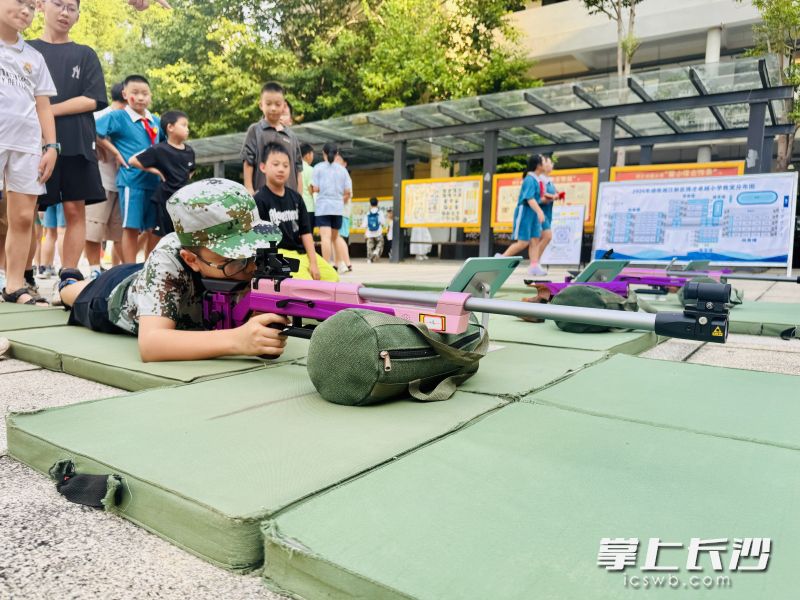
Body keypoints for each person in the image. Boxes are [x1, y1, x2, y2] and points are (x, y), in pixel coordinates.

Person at [57, 178, 288, 361]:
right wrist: (238, 340)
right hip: (114, 293)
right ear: (191, 260)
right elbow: (151, 345)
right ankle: (68, 278)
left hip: (153, 277)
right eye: (233, 259)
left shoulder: (239, 262)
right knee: (73, 293)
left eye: (253, 251)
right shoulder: (168, 259)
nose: (251, 267)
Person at [29, 0, 108, 274]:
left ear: (77, 15)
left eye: (71, 8)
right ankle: (21, 275)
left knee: (75, 209)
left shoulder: (85, 54)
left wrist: (46, 110)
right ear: (41, 6)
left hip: (76, 142)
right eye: (58, 4)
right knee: (27, 212)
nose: (64, 12)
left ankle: (69, 275)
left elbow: (92, 99)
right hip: (33, 142)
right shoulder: (25, 50)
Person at [0, 0, 58, 305]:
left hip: (27, 143)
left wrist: (52, 146)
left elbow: (43, 106)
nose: (26, 11)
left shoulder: (34, 57)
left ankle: (13, 285)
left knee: (23, 217)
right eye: (20, 1)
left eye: (32, 6)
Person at [95, 74, 164, 263]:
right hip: (131, 181)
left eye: (145, 93)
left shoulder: (155, 121)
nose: (140, 97)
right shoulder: (119, 116)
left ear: (150, 95)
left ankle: (150, 267)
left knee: (154, 228)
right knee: (131, 228)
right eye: (135, 92)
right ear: (125, 94)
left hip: (154, 182)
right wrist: (115, 153)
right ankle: (129, 269)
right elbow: (95, 131)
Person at [253, 143, 337, 282]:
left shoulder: (296, 198)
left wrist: (313, 262)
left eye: (286, 165)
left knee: (333, 278)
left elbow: (306, 233)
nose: (281, 169)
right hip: (276, 255)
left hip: (301, 253)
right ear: (263, 167)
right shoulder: (259, 200)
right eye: (276, 164)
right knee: (306, 284)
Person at [129, 109, 195, 238]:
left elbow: (191, 170)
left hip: (183, 200)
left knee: (181, 233)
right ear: (170, 127)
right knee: (158, 234)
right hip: (164, 199)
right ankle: (152, 252)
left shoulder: (189, 151)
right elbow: (132, 160)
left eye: (187, 126)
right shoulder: (159, 149)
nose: (187, 129)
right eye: (183, 125)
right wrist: (157, 171)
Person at [86, 81, 125, 277]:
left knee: (120, 233)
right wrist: (113, 152)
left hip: (123, 183)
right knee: (93, 229)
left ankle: (122, 270)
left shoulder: (133, 119)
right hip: (100, 181)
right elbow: (91, 134)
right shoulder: (102, 115)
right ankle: (94, 269)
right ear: (125, 94)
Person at [241, 81, 303, 196]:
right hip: (262, 197)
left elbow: (298, 168)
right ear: (261, 105)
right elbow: (248, 161)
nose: (273, 108)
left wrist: (299, 196)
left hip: (289, 198)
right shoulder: (255, 130)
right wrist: (249, 188)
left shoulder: (291, 136)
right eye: (268, 104)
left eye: (278, 104)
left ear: (284, 106)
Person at [501, 154, 547, 276]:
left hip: (533, 212)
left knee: (535, 240)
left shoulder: (536, 179)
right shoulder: (529, 179)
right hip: (525, 212)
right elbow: (529, 198)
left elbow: (536, 199)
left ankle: (534, 266)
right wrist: (540, 211)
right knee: (523, 242)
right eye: (543, 162)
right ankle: (500, 260)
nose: (545, 164)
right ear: (538, 165)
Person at [311, 142, 352, 268]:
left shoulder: (318, 168)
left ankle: (326, 266)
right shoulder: (342, 170)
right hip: (337, 208)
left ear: (323, 153)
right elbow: (347, 191)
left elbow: (315, 188)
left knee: (325, 238)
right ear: (336, 154)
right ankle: (339, 264)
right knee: (335, 237)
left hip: (323, 207)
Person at [39, 203, 65, 278]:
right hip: (63, 199)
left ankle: (44, 268)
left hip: (50, 199)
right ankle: (66, 267)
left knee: (49, 233)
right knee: (62, 231)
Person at [362, 197, 385, 263]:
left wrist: (365, 232)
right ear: (377, 203)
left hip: (369, 232)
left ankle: (369, 259)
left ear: (370, 204)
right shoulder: (380, 212)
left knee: (369, 246)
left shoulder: (368, 213)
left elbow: (364, 225)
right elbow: (383, 222)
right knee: (380, 243)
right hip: (378, 232)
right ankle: (376, 251)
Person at [299, 143, 315, 226]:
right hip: (309, 207)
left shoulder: (294, 168)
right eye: (312, 154)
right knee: (308, 232)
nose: (312, 157)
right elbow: (312, 191)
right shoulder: (310, 169)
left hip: (297, 206)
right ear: (308, 155)